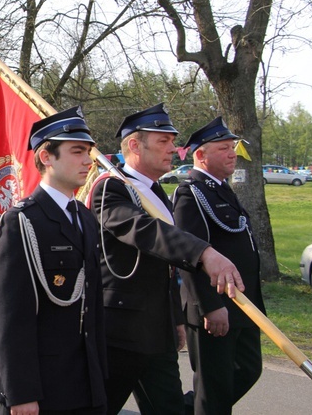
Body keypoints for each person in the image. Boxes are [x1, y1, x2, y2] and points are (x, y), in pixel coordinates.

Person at [88, 103, 244, 415]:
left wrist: (175, 318)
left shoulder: (156, 192)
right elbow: (145, 231)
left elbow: (165, 268)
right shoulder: (110, 188)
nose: (174, 148)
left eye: (173, 141)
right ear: (135, 145)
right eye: (164, 141)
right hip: (118, 334)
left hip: (157, 334)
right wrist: (204, 253)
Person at [0, 106, 107, 414]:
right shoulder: (22, 221)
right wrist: (21, 392)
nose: (87, 161)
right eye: (77, 151)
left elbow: (92, 307)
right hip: (39, 388)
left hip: (84, 383)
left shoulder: (85, 217)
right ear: (45, 157)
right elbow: (8, 316)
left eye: (89, 152)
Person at [172, 117, 264, 415]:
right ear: (200, 155)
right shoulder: (191, 193)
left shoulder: (222, 189)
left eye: (232, 148)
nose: (232, 154)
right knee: (215, 389)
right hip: (216, 307)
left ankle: (186, 409)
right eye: (223, 148)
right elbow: (189, 256)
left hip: (243, 304)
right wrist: (208, 305)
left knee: (248, 370)